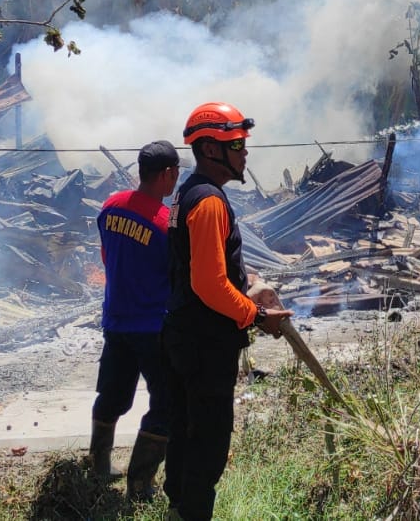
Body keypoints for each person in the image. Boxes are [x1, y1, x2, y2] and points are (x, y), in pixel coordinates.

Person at [162, 102, 290, 521]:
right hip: (204, 341)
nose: (245, 153)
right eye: (236, 144)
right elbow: (209, 284)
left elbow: (202, 264)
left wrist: (245, 276)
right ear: (211, 150)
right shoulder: (210, 202)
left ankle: (178, 507)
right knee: (209, 440)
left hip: (184, 332)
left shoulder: (188, 193)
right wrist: (256, 316)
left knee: (184, 427)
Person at [90, 140, 181, 498]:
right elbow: (176, 277)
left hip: (115, 321)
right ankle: (140, 483)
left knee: (112, 394)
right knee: (167, 401)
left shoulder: (110, 207)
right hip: (152, 329)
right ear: (166, 174)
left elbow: (105, 257)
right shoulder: (164, 224)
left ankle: (98, 465)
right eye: (176, 173)